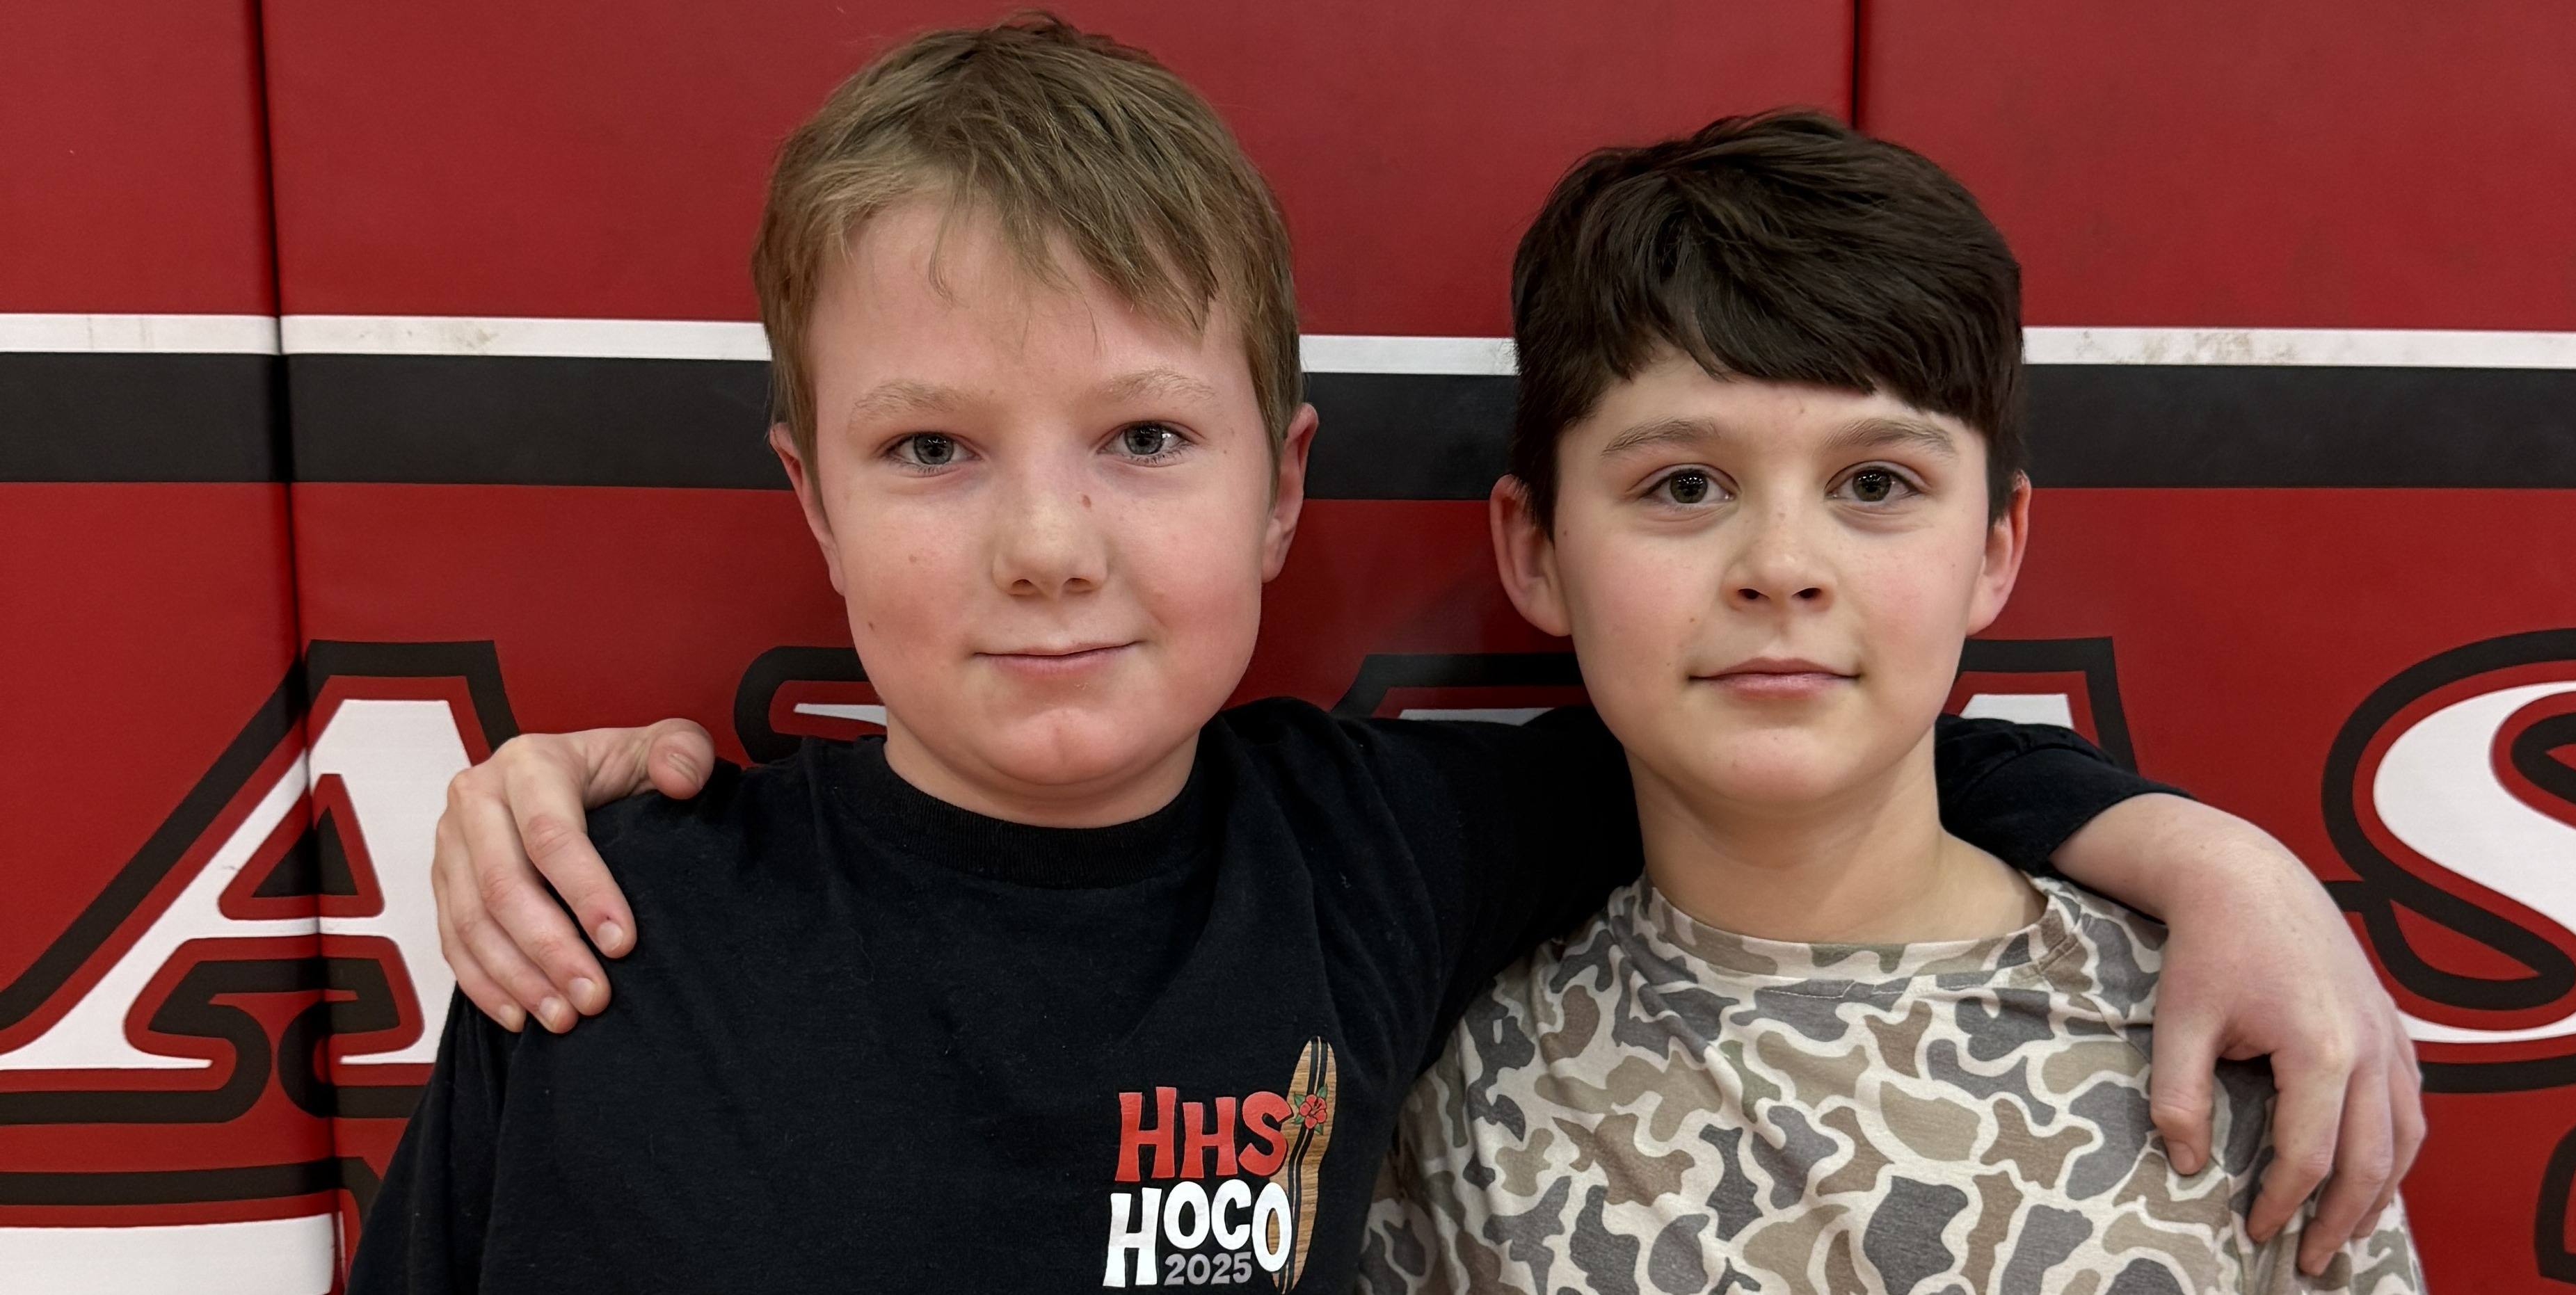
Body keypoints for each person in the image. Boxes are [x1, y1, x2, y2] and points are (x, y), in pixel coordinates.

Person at [385, 15, 2421, 1292]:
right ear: (810, 498)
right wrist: (533, 794)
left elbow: (1797, 731)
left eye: (1142, 439)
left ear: (1281, 488)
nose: (1040, 541)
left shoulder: (1368, 846)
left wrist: (2199, 856)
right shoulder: (603, 918)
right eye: (927, 448)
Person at [1354, 111, 2421, 1294]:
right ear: (1539, 547)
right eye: (1685, 483)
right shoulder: (1441, 1076)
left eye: (1876, 482)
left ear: (1995, 547)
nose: (1782, 563)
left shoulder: (2230, 1029)